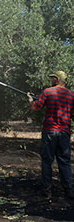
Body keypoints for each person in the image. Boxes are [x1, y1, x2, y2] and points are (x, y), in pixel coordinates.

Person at [29, 71, 74, 199]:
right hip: (64, 132)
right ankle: (69, 190)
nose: (52, 80)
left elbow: (35, 107)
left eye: (53, 78)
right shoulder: (72, 95)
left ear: (58, 79)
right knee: (64, 162)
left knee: (47, 161)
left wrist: (31, 100)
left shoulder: (48, 92)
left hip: (50, 131)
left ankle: (46, 191)